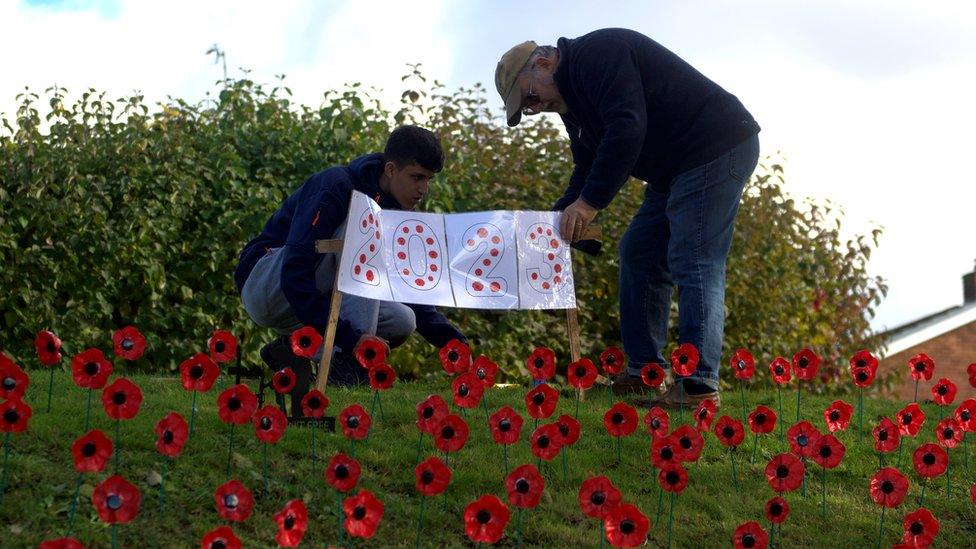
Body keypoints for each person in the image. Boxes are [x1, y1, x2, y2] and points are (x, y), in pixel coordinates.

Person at [495, 28, 760, 408]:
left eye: (530, 97)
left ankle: (699, 385)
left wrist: (587, 206)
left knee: (694, 258)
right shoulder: (573, 102)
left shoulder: (597, 54)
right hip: (675, 167)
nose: (534, 108)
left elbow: (627, 127)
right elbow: (586, 165)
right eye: (526, 107)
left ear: (543, 63)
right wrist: (552, 222)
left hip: (714, 146)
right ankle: (645, 373)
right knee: (638, 251)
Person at [235, 125, 466, 411]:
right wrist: (353, 340)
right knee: (364, 225)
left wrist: (454, 343)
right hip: (267, 287)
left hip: (307, 299)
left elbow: (406, 287)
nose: (423, 189)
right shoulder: (336, 186)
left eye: (429, 180)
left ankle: (291, 348)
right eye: (417, 177)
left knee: (403, 319)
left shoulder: (399, 214)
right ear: (391, 169)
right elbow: (295, 273)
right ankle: (352, 368)